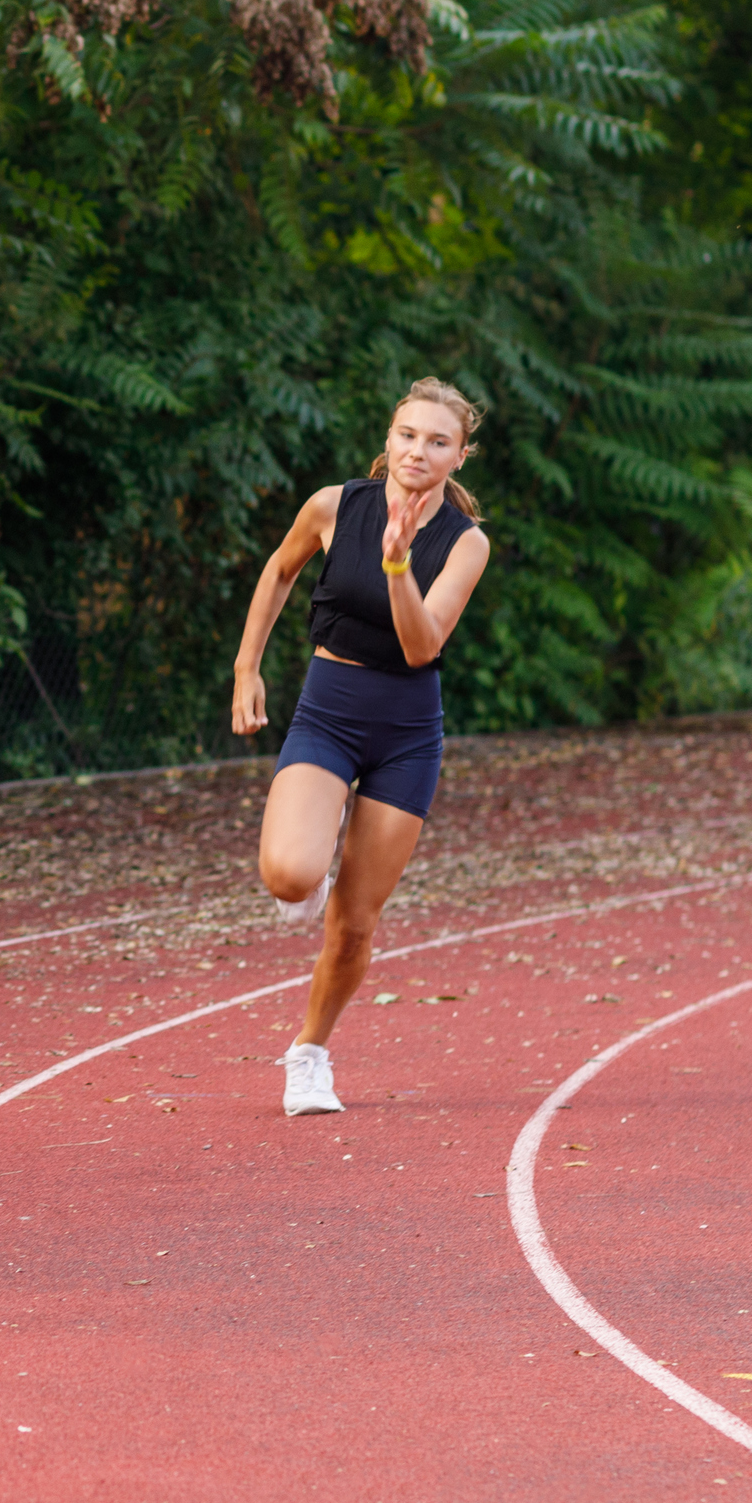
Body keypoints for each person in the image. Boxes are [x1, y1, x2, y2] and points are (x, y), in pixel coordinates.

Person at [229, 378, 496, 1118]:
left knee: (353, 926)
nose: (419, 450)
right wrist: (247, 668)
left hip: (406, 735)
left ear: (459, 455)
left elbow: (421, 647)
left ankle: (309, 1054)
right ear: (389, 437)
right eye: (409, 435)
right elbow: (280, 571)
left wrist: (399, 564)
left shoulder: (465, 545)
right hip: (329, 712)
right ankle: (312, 861)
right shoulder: (331, 506)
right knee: (288, 878)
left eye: (438, 441)